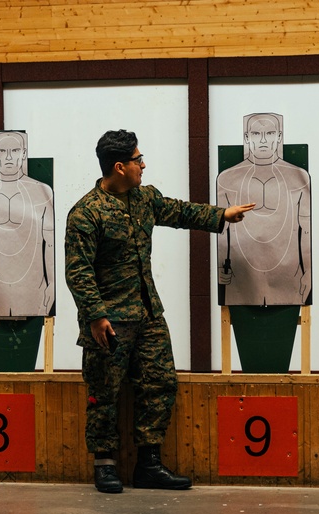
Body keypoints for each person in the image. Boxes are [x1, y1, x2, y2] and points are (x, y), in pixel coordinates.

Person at [66, 129, 255, 493]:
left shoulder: (144, 199)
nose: (143, 165)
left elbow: (180, 211)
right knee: (105, 392)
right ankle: (105, 465)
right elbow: (78, 271)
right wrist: (95, 316)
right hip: (110, 320)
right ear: (119, 167)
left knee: (160, 384)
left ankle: (148, 465)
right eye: (138, 160)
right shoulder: (86, 213)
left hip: (148, 313)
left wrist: (222, 215)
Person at [216, 112, 312, 306]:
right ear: (247, 137)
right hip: (241, 276)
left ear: (278, 136)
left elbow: (306, 230)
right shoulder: (227, 180)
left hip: (289, 276)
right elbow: (222, 230)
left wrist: (308, 271)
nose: (262, 140)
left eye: (269, 133)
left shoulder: (298, 178)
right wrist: (221, 267)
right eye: (256, 134)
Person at [0, 130, 55, 317]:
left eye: (14, 150)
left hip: (33, 284)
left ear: (23, 153)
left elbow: (49, 243)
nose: (8, 157)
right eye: (2, 151)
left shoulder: (42, 193)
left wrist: (51, 282)